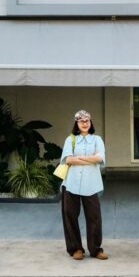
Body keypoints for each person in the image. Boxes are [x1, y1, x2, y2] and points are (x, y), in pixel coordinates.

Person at [59, 109, 108, 260]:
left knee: (94, 217)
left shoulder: (97, 139)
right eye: (81, 121)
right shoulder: (70, 139)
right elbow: (68, 160)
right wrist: (90, 159)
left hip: (91, 184)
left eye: (87, 121)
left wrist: (79, 158)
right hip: (71, 183)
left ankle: (95, 250)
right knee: (70, 216)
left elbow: (100, 159)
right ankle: (76, 249)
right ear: (77, 123)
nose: (85, 123)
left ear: (90, 122)